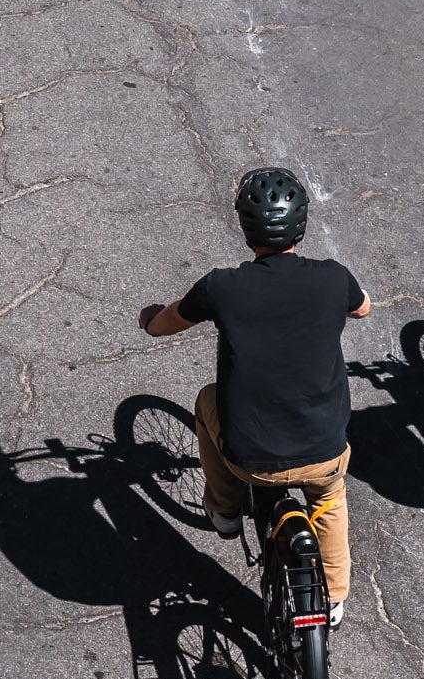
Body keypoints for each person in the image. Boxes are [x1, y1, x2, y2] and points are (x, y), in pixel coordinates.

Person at [139, 167, 369, 625]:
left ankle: (224, 510)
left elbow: (166, 322)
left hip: (252, 461)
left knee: (208, 401)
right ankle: (336, 598)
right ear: (301, 222)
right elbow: (362, 307)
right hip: (324, 450)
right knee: (329, 499)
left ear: (246, 227)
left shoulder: (223, 286)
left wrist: (148, 319)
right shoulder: (332, 278)